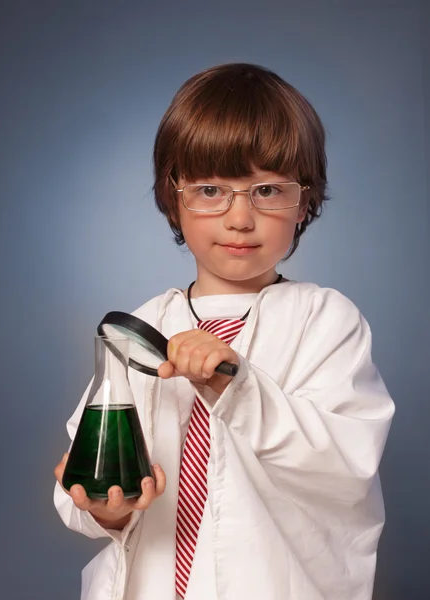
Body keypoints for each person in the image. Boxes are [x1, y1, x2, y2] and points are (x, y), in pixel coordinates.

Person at [53, 63, 394, 600]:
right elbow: (88, 462)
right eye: (211, 189)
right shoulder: (144, 326)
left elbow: (346, 464)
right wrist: (106, 509)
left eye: (266, 190)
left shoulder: (325, 320)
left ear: (304, 202)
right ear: (174, 196)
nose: (239, 218)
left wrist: (233, 382)